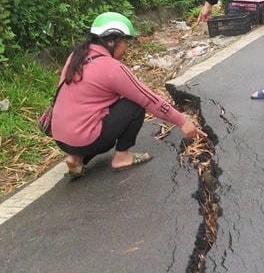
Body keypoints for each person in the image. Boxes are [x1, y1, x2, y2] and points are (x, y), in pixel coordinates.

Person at [51, 12, 206, 179]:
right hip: (86, 139)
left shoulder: (77, 56)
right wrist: (182, 122)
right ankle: (121, 157)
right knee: (135, 104)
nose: (126, 47)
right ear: (111, 41)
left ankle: (76, 158)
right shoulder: (112, 68)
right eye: (125, 42)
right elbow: (148, 99)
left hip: (60, 138)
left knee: (96, 111)